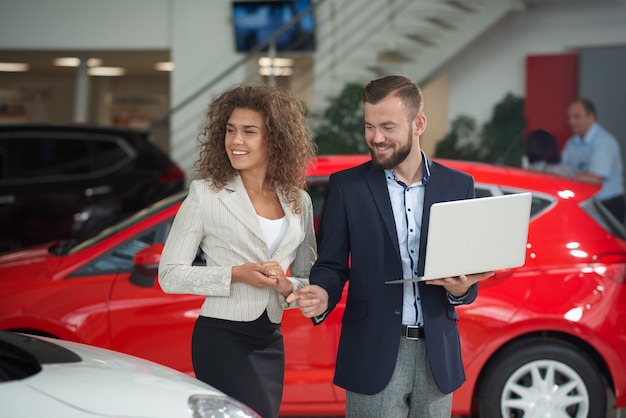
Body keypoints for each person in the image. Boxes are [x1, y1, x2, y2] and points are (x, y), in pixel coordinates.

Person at [287, 75, 493, 417]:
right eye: (369, 127)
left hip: (437, 356)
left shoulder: (458, 186)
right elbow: (331, 264)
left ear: (418, 124)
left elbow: (467, 279)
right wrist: (323, 291)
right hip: (372, 350)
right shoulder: (347, 187)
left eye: (387, 127)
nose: (376, 138)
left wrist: (461, 289)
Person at [158, 82, 317, 418]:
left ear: (274, 139)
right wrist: (236, 274)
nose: (236, 141)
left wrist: (289, 287)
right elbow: (169, 276)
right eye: (230, 131)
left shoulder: (298, 201)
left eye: (249, 131)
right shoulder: (205, 195)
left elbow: (308, 276)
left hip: (270, 337)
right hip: (221, 336)